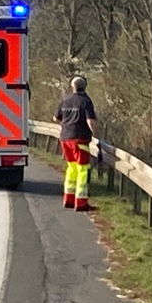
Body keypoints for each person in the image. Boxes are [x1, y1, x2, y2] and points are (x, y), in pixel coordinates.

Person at [54, 74, 99, 211]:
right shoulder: (86, 101)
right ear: (85, 86)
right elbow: (90, 121)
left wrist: (67, 125)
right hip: (80, 140)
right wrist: (97, 135)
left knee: (71, 168)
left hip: (65, 139)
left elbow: (56, 118)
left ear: (72, 86)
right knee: (83, 170)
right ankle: (81, 203)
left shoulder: (65, 100)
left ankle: (68, 199)